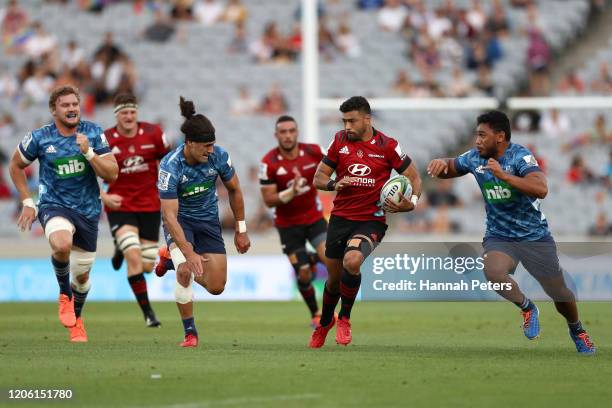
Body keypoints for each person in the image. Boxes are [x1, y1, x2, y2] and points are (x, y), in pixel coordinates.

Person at [427, 110, 596, 354]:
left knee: (558, 291)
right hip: (500, 236)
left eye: (482, 135)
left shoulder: (520, 156)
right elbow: (452, 167)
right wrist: (441, 163)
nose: (477, 141)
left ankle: (577, 330)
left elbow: (541, 188)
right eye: (476, 135)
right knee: (493, 272)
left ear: (500, 136)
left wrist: (504, 176)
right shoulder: (475, 157)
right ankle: (527, 308)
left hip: (534, 236)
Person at [309, 96, 422, 348]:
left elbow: (414, 177)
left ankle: (345, 318)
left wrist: (411, 202)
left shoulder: (388, 146)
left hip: (371, 220)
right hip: (340, 219)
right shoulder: (338, 141)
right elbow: (319, 177)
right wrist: (333, 184)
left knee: (353, 260)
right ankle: (326, 321)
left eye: (352, 121)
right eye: (344, 121)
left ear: (367, 119)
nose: (347, 126)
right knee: (333, 280)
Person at [8, 84, 118, 342]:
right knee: (61, 244)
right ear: (53, 110)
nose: (71, 109)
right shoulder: (39, 137)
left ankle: (77, 319)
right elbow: (15, 165)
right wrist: (27, 200)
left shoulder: (93, 132)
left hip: (88, 211)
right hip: (54, 205)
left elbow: (111, 173)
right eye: (65, 105)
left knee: (82, 278)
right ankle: (63, 296)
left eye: (74, 104)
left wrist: (88, 152)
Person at [155, 97, 250, 348]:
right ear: (190, 143)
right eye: (205, 146)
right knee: (185, 269)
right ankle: (190, 333)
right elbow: (169, 215)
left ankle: (168, 257)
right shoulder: (170, 166)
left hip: (208, 221)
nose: (210, 151)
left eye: (212, 145)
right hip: (181, 222)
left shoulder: (219, 157)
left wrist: (241, 230)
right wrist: (187, 251)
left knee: (216, 286)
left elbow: (235, 190)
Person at [100, 93, 170, 327]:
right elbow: (91, 172)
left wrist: (168, 192)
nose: (128, 116)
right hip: (121, 205)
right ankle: (149, 314)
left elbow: (168, 164)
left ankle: (121, 246)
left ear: (137, 112)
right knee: (133, 257)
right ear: (116, 115)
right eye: (124, 112)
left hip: (150, 205)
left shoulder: (154, 134)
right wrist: (104, 196)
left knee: (148, 266)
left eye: (132, 112)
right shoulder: (106, 139)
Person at [259, 115, 327, 327]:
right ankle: (315, 313)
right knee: (304, 273)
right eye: (283, 132)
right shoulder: (268, 163)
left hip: (314, 219)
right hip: (288, 226)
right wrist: (290, 192)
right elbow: (269, 201)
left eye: (291, 131)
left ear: (297, 132)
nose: (288, 136)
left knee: (332, 260)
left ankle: (313, 258)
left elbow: (337, 163)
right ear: (276, 135)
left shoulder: (314, 151)